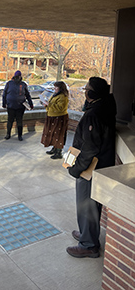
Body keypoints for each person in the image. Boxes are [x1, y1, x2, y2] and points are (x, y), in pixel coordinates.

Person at [66, 77, 116, 258]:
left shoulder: (94, 114)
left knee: (86, 204)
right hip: (102, 165)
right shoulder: (106, 107)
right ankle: (88, 234)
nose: (85, 92)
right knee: (92, 205)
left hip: (91, 169)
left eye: (87, 89)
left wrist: (76, 168)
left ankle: (88, 245)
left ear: (93, 93)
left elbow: (89, 148)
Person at [2, 70, 33, 141]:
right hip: (11, 106)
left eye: (19, 76)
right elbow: (4, 94)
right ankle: (8, 134)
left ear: (20, 76)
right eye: (17, 76)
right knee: (10, 120)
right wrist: (4, 103)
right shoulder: (9, 83)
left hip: (20, 106)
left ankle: (20, 135)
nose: (18, 77)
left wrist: (30, 104)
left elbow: (27, 95)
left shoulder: (23, 84)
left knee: (19, 121)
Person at [41, 81, 69, 158]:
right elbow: (51, 104)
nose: (54, 88)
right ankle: (54, 148)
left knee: (58, 134)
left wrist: (48, 104)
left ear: (60, 88)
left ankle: (58, 152)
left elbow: (60, 108)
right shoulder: (55, 95)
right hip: (52, 117)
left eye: (56, 87)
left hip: (59, 118)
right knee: (52, 134)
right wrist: (46, 104)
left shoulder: (63, 96)